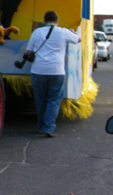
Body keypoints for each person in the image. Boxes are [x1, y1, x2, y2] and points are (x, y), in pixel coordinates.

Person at [26, 10, 81, 138]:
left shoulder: (37, 32)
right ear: (57, 21)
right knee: (54, 100)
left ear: (44, 21)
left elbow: (29, 52)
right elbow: (79, 39)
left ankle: (40, 126)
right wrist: (71, 32)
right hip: (56, 71)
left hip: (38, 71)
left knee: (40, 101)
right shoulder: (63, 32)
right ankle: (49, 128)